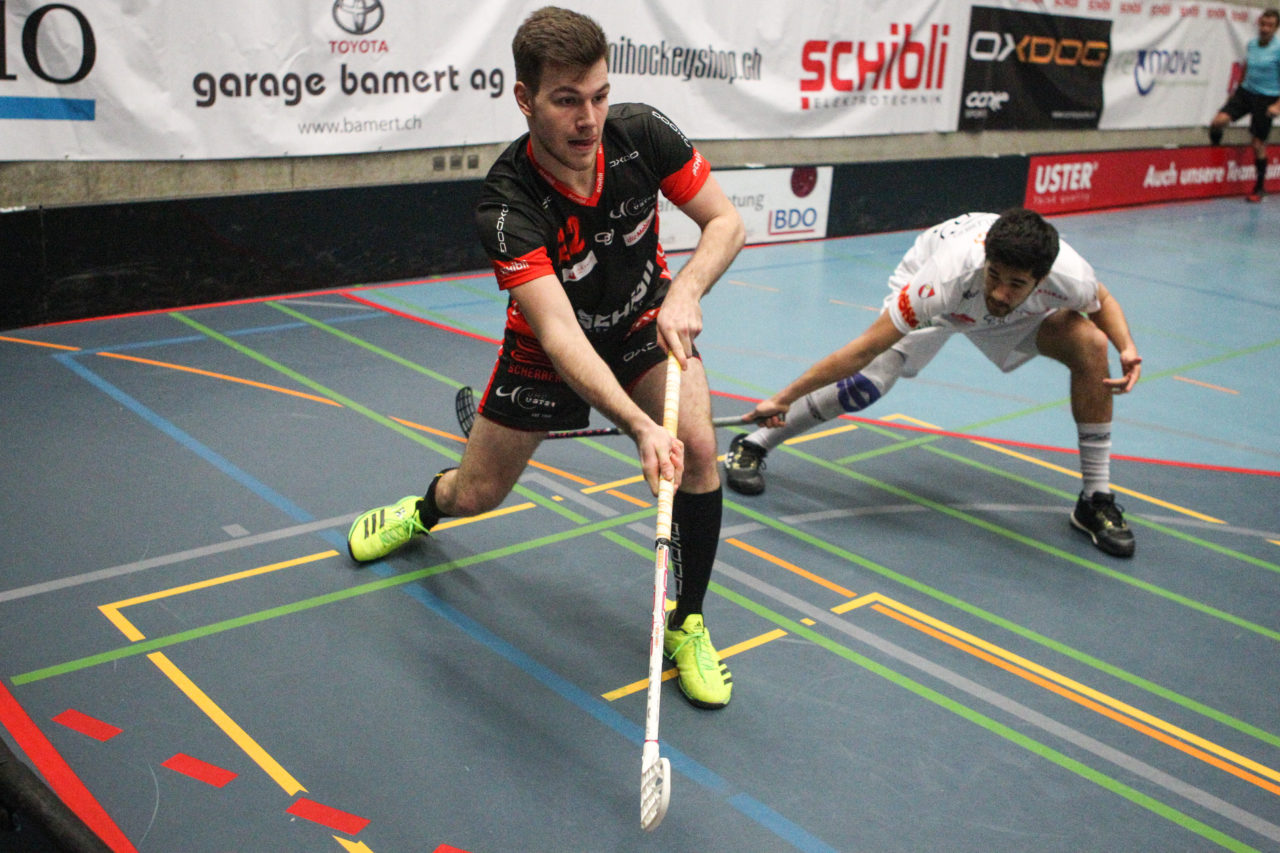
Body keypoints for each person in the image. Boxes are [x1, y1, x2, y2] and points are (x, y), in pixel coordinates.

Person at [346, 7, 745, 709]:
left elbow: (726, 220)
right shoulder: (507, 203)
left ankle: (688, 623)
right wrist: (638, 426)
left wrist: (685, 291)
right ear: (525, 99)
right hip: (546, 351)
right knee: (478, 493)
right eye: (566, 100)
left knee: (700, 446)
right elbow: (560, 338)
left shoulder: (643, 134)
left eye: (598, 95)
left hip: (643, 321)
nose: (588, 118)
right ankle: (423, 509)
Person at [724, 209, 1143, 558]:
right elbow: (863, 349)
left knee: (1090, 342)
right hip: (949, 304)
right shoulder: (943, 277)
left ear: (1041, 278)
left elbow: (1101, 302)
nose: (999, 291)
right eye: (994, 275)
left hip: (1018, 319)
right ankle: (754, 443)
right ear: (986, 259)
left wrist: (1125, 347)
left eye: (1015, 283)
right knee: (867, 383)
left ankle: (1095, 500)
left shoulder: (1068, 275)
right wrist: (781, 398)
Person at [1209, 8, 1280, 202]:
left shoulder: (1279, 49)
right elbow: (1246, 68)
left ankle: (1259, 187)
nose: (1265, 29)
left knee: (1257, 143)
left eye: (1270, 26)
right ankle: (1214, 148)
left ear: (1276, 28)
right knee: (1218, 121)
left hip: (1267, 98)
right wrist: (1235, 93)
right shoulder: (1252, 45)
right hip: (1246, 92)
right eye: (1263, 24)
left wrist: (1277, 106)